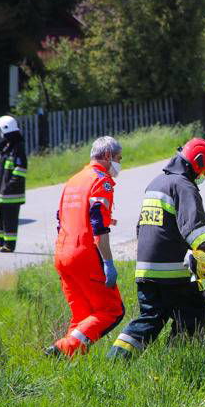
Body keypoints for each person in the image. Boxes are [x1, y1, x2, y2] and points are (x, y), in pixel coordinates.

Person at [107, 138, 205, 359]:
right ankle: (179, 357)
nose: (201, 178)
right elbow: (195, 228)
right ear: (196, 163)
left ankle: (117, 358)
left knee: (151, 317)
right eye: (203, 173)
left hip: (145, 270)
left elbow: (143, 228)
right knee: (194, 312)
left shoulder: (156, 183)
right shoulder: (184, 186)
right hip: (171, 271)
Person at [46, 136, 125, 357]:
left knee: (83, 316)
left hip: (62, 253)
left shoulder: (73, 180)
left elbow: (62, 218)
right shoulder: (102, 181)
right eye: (119, 158)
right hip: (84, 254)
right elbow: (98, 226)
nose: (119, 164)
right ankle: (62, 349)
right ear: (108, 156)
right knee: (112, 311)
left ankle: (68, 362)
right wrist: (108, 262)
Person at [0, 115, 27, 253]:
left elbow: (21, 169)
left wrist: (11, 184)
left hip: (12, 193)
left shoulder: (18, 147)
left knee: (10, 219)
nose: (0, 133)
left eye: (1, 130)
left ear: (7, 129)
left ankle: (9, 245)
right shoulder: (5, 147)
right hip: (1, 191)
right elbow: (0, 167)